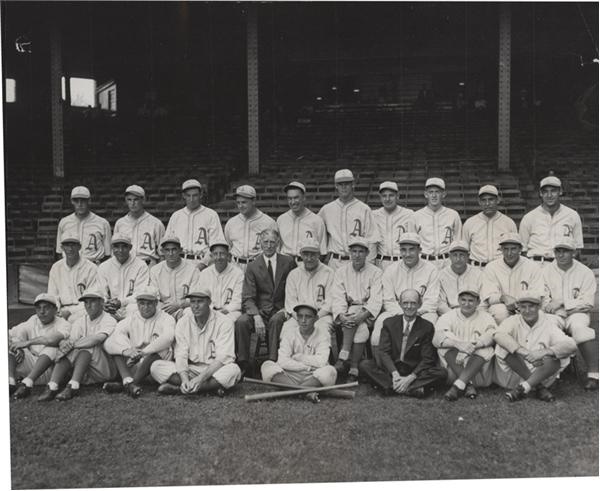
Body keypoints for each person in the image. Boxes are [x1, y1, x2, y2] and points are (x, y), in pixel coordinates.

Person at [150, 288, 242, 396]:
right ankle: (207, 388)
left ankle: (179, 389)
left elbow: (223, 358)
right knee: (156, 367)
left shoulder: (225, 322)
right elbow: (180, 355)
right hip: (191, 369)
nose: (195, 306)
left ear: (209, 302)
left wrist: (200, 379)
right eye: (193, 302)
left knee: (233, 370)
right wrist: (184, 379)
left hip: (215, 369)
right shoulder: (183, 322)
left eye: (200, 301)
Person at [359, 289, 446, 397]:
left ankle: (391, 387)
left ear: (420, 304)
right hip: (392, 369)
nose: (409, 306)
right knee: (365, 365)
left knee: (441, 372)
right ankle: (411, 389)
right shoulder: (389, 323)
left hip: (414, 370)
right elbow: (383, 352)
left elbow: (427, 358)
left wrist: (411, 377)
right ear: (399, 304)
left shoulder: (427, 326)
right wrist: (395, 374)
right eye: (405, 303)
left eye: (413, 303)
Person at [493, 291, 577, 402]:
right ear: (518, 308)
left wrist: (546, 351)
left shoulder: (548, 323)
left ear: (539, 307)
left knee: (557, 356)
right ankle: (538, 387)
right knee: (503, 347)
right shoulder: (512, 320)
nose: (527, 311)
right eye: (523, 307)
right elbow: (498, 335)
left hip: (540, 372)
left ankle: (525, 387)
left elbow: (571, 345)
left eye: (531, 306)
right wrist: (524, 352)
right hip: (513, 374)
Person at [37, 287, 117, 401]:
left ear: (102, 302)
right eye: (86, 302)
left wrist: (72, 346)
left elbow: (97, 339)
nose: (88, 305)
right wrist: (66, 346)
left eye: (92, 301)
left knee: (87, 345)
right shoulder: (80, 321)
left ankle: (73, 385)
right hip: (86, 370)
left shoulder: (109, 319)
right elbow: (71, 340)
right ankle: (52, 386)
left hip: (105, 370)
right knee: (71, 347)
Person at [234, 229, 297, 373]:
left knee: (276, 320)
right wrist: (256, 316)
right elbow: (248, 297)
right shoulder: (253, 266)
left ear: (278, 244)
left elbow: (294, 287)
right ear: (260, 243)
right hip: (260, 311)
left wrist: (288, 308)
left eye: (272, 242)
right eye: (266, 242)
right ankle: (243, 363)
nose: (269, 245)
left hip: (281, 309)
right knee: (241, 322)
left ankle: (273, 361)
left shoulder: (288, 262)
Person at [542, 238, 598, 390]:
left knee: (581, 329)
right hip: (555, 314)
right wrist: (557, 307)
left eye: (565, 251)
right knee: (548, 326)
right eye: (558, 251)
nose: (561, 255)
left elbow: (588, 302)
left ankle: (594, 374)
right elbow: (545, 302)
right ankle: (554, 374)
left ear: (574, 252)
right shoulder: (545, 270)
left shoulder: (585, 272)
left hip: (577, 314)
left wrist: (562, 302)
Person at [372, 233, 439, 360]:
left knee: (431, 325)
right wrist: (404, 315)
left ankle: (426, 366)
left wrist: (415, 314)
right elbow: (388, 300)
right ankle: (381, 369)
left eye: (411, 249)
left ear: (419, 250)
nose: (407, 254)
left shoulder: (431, 269)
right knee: (378, 330)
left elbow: (431, 301)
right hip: (396, 312)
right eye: (403, 249)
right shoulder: (391, 270)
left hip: (423, 312)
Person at [103, 286, 176, 397]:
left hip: (155, 367)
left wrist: (143, 353)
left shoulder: (166, 318)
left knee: (163, 348)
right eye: (142, 303)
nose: (145, 307)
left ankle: (129, 384)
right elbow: (111, 340)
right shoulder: (131, 318)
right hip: (134, 362)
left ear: (156, 303)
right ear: (137, 303)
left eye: (149, 303)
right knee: (116, 348)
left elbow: (168, 338)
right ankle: (128, 381)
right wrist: (127, 351)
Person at [330, 236, 382, 381]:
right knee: (361, 329)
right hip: (349, 314)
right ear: (350, 253)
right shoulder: (341, 272)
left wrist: (363, 315)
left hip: (367, 314)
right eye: (354, 251)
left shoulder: (376, 272)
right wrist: (341, 315)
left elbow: (376, 299)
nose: (357, 255)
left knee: (357, 316)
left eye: (361, 251)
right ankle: (354, 369)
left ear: (367, 253)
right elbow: (338, 296)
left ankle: (343, 356)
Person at [261, 304, 337, 402]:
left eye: (308, 317)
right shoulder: (289, 333)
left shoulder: (323, 335)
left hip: (313, 376)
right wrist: (306, 367)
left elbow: (321, 362)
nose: (303, 320)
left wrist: (299, 357)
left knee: (330, 371)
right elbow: (282, 361)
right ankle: (305, 392)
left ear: (316, 318)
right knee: (267, 366)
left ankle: (292, 390)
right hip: (290, 375)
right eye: (300, 316)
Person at [433, 289, 497, 401]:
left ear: (478, 302)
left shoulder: (486, 317)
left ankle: (459, 385)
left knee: (487, 350)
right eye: (463, 300)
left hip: (477, 366)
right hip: (454, 363)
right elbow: (437, 338)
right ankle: (467, 384)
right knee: (443, 348)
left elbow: (492, 335)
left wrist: (470, 347)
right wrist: (458, 345)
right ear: (458, 300)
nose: (466, 304)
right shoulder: (448, 316)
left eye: (471, 301)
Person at [9, 293, 71, 398]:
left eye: (46, 308)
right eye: (38, 308)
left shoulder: (63, 324)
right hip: (31, 364)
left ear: (55, 310)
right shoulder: (34, 320)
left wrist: (28, 343)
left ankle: (27, 384)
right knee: (11, 349)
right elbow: (10, 333)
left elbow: (51, 339)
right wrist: (18, 348)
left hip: (49, 370)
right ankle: (10, 382)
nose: (42, 312)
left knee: (51, 348)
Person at [282, 238, 336, 354]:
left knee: (321, 331)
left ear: (319, 255)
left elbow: (331, 301)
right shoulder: (294, 274)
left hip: (321, 316)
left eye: (313, 254)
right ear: (300, 255)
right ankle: (290, 363)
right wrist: (302, 319)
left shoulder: (329, 273)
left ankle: (320, 364)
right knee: (287, 330)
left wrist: (315, 318)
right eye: (306, 254)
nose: (309, 258)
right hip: (298, 316)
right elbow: (291, 302)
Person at [318, 169, 379, 270]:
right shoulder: (326, 209)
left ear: (353, 184)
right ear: (336, 186)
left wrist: (368, 265)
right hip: (335, 262)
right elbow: (317, 231)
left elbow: (372, 240)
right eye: (340, 184)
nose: (344, 187)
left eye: (347, 183)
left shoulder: (364, 209)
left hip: (357, 262)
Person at [519, 175, 584, 266]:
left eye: (553, 191)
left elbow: (577, 249)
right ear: (540, 193)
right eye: (545, 192)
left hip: (563, 266)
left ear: (560, 191)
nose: (549, 195)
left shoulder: (572, 215)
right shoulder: (529, 218)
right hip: (537, 265)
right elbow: (522, 250)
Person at [481, 233, 544, 324]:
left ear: (520, 249)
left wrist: (520, 304)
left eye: (513, 249)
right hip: (503, 307)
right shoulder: (491, 267)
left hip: (526, 306)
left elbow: (538, 294)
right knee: (499, 312)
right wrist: (503, 298)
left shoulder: (533, 266)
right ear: (501, 249)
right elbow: (489, 296)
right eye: (506, 249)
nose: (509, 253)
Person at [165, 179, 225, 271]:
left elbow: (216, 245)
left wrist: (203, 264)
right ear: (183, 196)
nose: (192, 199)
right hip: (179, 264)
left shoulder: (211, 215)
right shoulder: (176, 216)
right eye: (188, 196)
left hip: (203, 263)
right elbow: (168, 242)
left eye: (195, 195)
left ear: (201, 195)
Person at [462, 185, 517, 268]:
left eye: (491, 199)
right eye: (484, 200)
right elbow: (464, 249)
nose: (487, 204)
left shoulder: (508, 223)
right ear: (479, 202)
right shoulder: (470, 223)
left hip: (500, 268)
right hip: (477, 267)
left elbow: (515, 249)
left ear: (498, 200)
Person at [224, 185, 277, 271]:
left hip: (259, 266)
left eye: (244, 202)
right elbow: (228, 246)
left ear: (254, 201)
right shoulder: (231, 223)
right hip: (235, 266)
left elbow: (275, 249)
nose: (240, 206)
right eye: (238, 202)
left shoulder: (268, 222)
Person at [48, 235, 99, 324]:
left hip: (84, 309)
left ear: (79, 247)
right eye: (67, 245)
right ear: (62, 248)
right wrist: (56, 311)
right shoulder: (56, 267)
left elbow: (92, 298)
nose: (70, 249)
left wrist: (70, 312)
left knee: (72, 321)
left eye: (73, 245)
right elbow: (52, 295)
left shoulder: (91, 268)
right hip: (61, 309)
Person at [97, 234, 149, 320]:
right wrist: (105, 303)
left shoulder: (141, 265)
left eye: (124, 246)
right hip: (111, 308)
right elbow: (101, 291)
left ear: (130, 247)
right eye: (116, 247)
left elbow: (141, 293)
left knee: (136, 309)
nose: (120, 250)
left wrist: (121, 302)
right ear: (112, 248)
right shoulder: (104, 266)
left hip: (131, 307)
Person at [413, 177, 462, 269]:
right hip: (424, 261)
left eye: (437, 192)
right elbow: (413, 243)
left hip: (447, 261)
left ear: (444, 194)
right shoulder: (416, 216)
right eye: (431, 192)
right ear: (425, 194)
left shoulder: (453, 215)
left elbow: (458, 241)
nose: (434, 195)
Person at [55, 185, 112, 264]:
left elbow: (108, 254)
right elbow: (59, 252)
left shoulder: (102, 223)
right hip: (71, 266)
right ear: (72, 201)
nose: (79, 204)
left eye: (83, 200)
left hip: (94, 265)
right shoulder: (64, 222)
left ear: (89, 201)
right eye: (76, 201)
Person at [149, 236, 201, 320]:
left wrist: (179, 305)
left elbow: (196, 297)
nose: (171, 253)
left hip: (183, 309)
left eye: (174, 249)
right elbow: (153, 296)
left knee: (190, 312)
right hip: (163, 310)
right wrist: (164, 309)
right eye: (167, 250)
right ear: (162, 251)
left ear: (180, 250)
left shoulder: (193, 270)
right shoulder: (155, 270)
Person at [113, 184, 165, 266]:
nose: (132, 203)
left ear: (143, 200)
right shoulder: (120, 223)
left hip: (148, 264)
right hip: (126, 265)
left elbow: (162, 254)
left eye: (136, 199)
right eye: (129, 200)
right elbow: (115, 249)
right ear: (126, 201)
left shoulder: (156, 223)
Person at [276, 181, 327, 261]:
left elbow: (322, 251)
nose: (293, 202)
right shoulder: (281, 220)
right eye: (290, 198)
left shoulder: (317, 220)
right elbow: (277, 248)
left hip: (307, 263)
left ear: (304, 198)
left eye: (296, 198)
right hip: (285, 264)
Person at [195, 241, 244, 322]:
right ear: (211, 256)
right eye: (215, 254)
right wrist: (211, 311)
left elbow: (238, 301)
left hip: (230, 312)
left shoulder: (238, 273)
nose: (219, 257)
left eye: (222, 254)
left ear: (228, 256)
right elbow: (201, 296)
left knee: (227, 322)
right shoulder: (205, 273)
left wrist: (223, 311)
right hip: (209, 310)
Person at [372, 181, 416, 270]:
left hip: (402, 262)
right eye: (384, 196)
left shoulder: (408, 214)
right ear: (380, 198)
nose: (387, 199)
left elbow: (413, 241)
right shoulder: (374, 215)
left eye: (391, 195)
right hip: (381, 263)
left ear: (397, 196)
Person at [437, 240, 483, 315]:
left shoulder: (478, 274)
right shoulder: (441, 275)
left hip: (473, 313)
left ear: (468, 256)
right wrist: (454, 316)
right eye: (455, 255)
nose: (458, 259)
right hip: (449, 314)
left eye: (462, 255)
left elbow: (482, 301)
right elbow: (440, 303)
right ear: (450, 257)